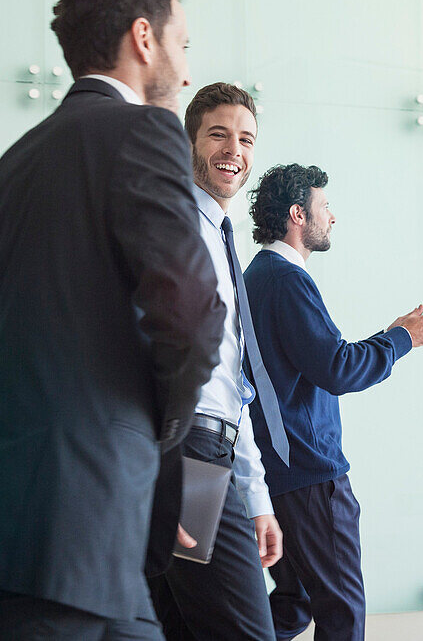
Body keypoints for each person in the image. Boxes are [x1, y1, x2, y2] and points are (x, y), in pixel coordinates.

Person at [0, 0, 226, 640]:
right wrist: (156, 432)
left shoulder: (13, 162)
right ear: (143, 38)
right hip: (82, 505)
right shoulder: (144, 132)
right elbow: (193, 312)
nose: (183, 68)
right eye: (181, 45)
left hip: (38, 505)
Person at [243, 164, 423, 641]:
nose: (332, 218)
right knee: (343, 611)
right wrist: (402, 338)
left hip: (280, 471)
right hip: (311, 475)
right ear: (299, 214)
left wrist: (395, 333)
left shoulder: (258, 275)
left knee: (294, 604)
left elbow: (323, 361)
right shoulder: (285, 279)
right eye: (324, 207)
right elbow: (337, 369)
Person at [146, 82, 291, 640]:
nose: (235, 149)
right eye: (219, 134)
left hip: (211, 452)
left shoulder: (220, 238)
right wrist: (174, 467)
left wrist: (256, 496)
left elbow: (233, 382)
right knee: (246, 631)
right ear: (189, 144)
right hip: (190, 457)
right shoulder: (176, 226)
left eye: (246, 139)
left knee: (178, 628)